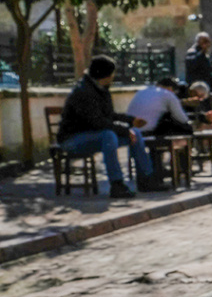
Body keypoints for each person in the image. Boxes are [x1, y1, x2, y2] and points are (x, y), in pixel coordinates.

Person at [57, 55, 164, 198]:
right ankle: (117, 184)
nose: (113, 76)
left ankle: (146, 179)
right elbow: (97, 122)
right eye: (112, 73)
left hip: (94, 136)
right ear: (104, 75)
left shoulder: (102, 89)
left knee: (136, 133)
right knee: (108, 135)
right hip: (73, 140)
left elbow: (109, 115)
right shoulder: (83, 92)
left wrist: (131, 121)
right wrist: (125, 130)